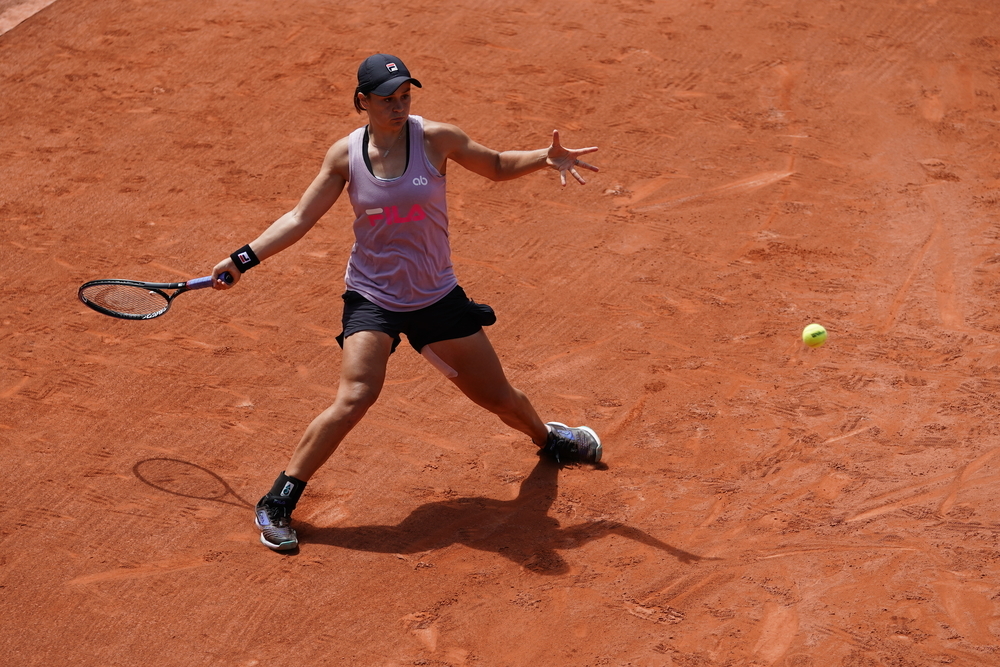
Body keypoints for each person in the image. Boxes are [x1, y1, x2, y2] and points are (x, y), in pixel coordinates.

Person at [211, 54, 603, 551]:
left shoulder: (436, 139)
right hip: (373, 297)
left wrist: (544, 159)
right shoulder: (345, 155)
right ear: (362, 102)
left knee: (498, 398)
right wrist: (241, 260)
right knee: (356, 395)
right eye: (386, 99)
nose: (399, 106)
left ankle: (549, 439)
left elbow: (498, 165)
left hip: (436, 298)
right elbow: (298, 218)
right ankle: (278, 500)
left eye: (405, 96)